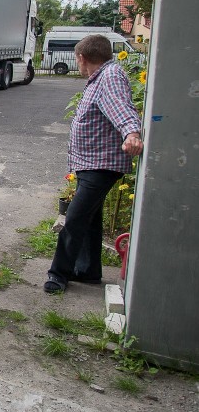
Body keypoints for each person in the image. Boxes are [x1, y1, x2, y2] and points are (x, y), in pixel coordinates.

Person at [44, 34, 143, 295]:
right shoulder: (103, 76)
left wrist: (131, 133)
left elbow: (121, 108)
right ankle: (88, 271)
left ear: (82, 57)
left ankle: (58, 274)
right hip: (93, 162)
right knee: (89, 218)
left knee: (75, 217)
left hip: (102, 163)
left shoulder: (109, 77)